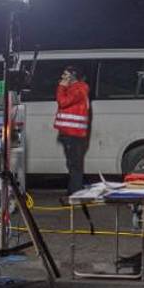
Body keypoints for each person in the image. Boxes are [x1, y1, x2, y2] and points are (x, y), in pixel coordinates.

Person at [53, 65, 91, 197]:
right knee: (72, 164)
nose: (62, 78)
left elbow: (62, 102)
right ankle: (73, 190)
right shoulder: (76, 88)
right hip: (69, 133)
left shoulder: (79, 89)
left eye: (65, 75)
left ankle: (76, 192)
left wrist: (61, 86)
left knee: (75, 165)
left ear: (72, 76)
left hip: (74, 134)